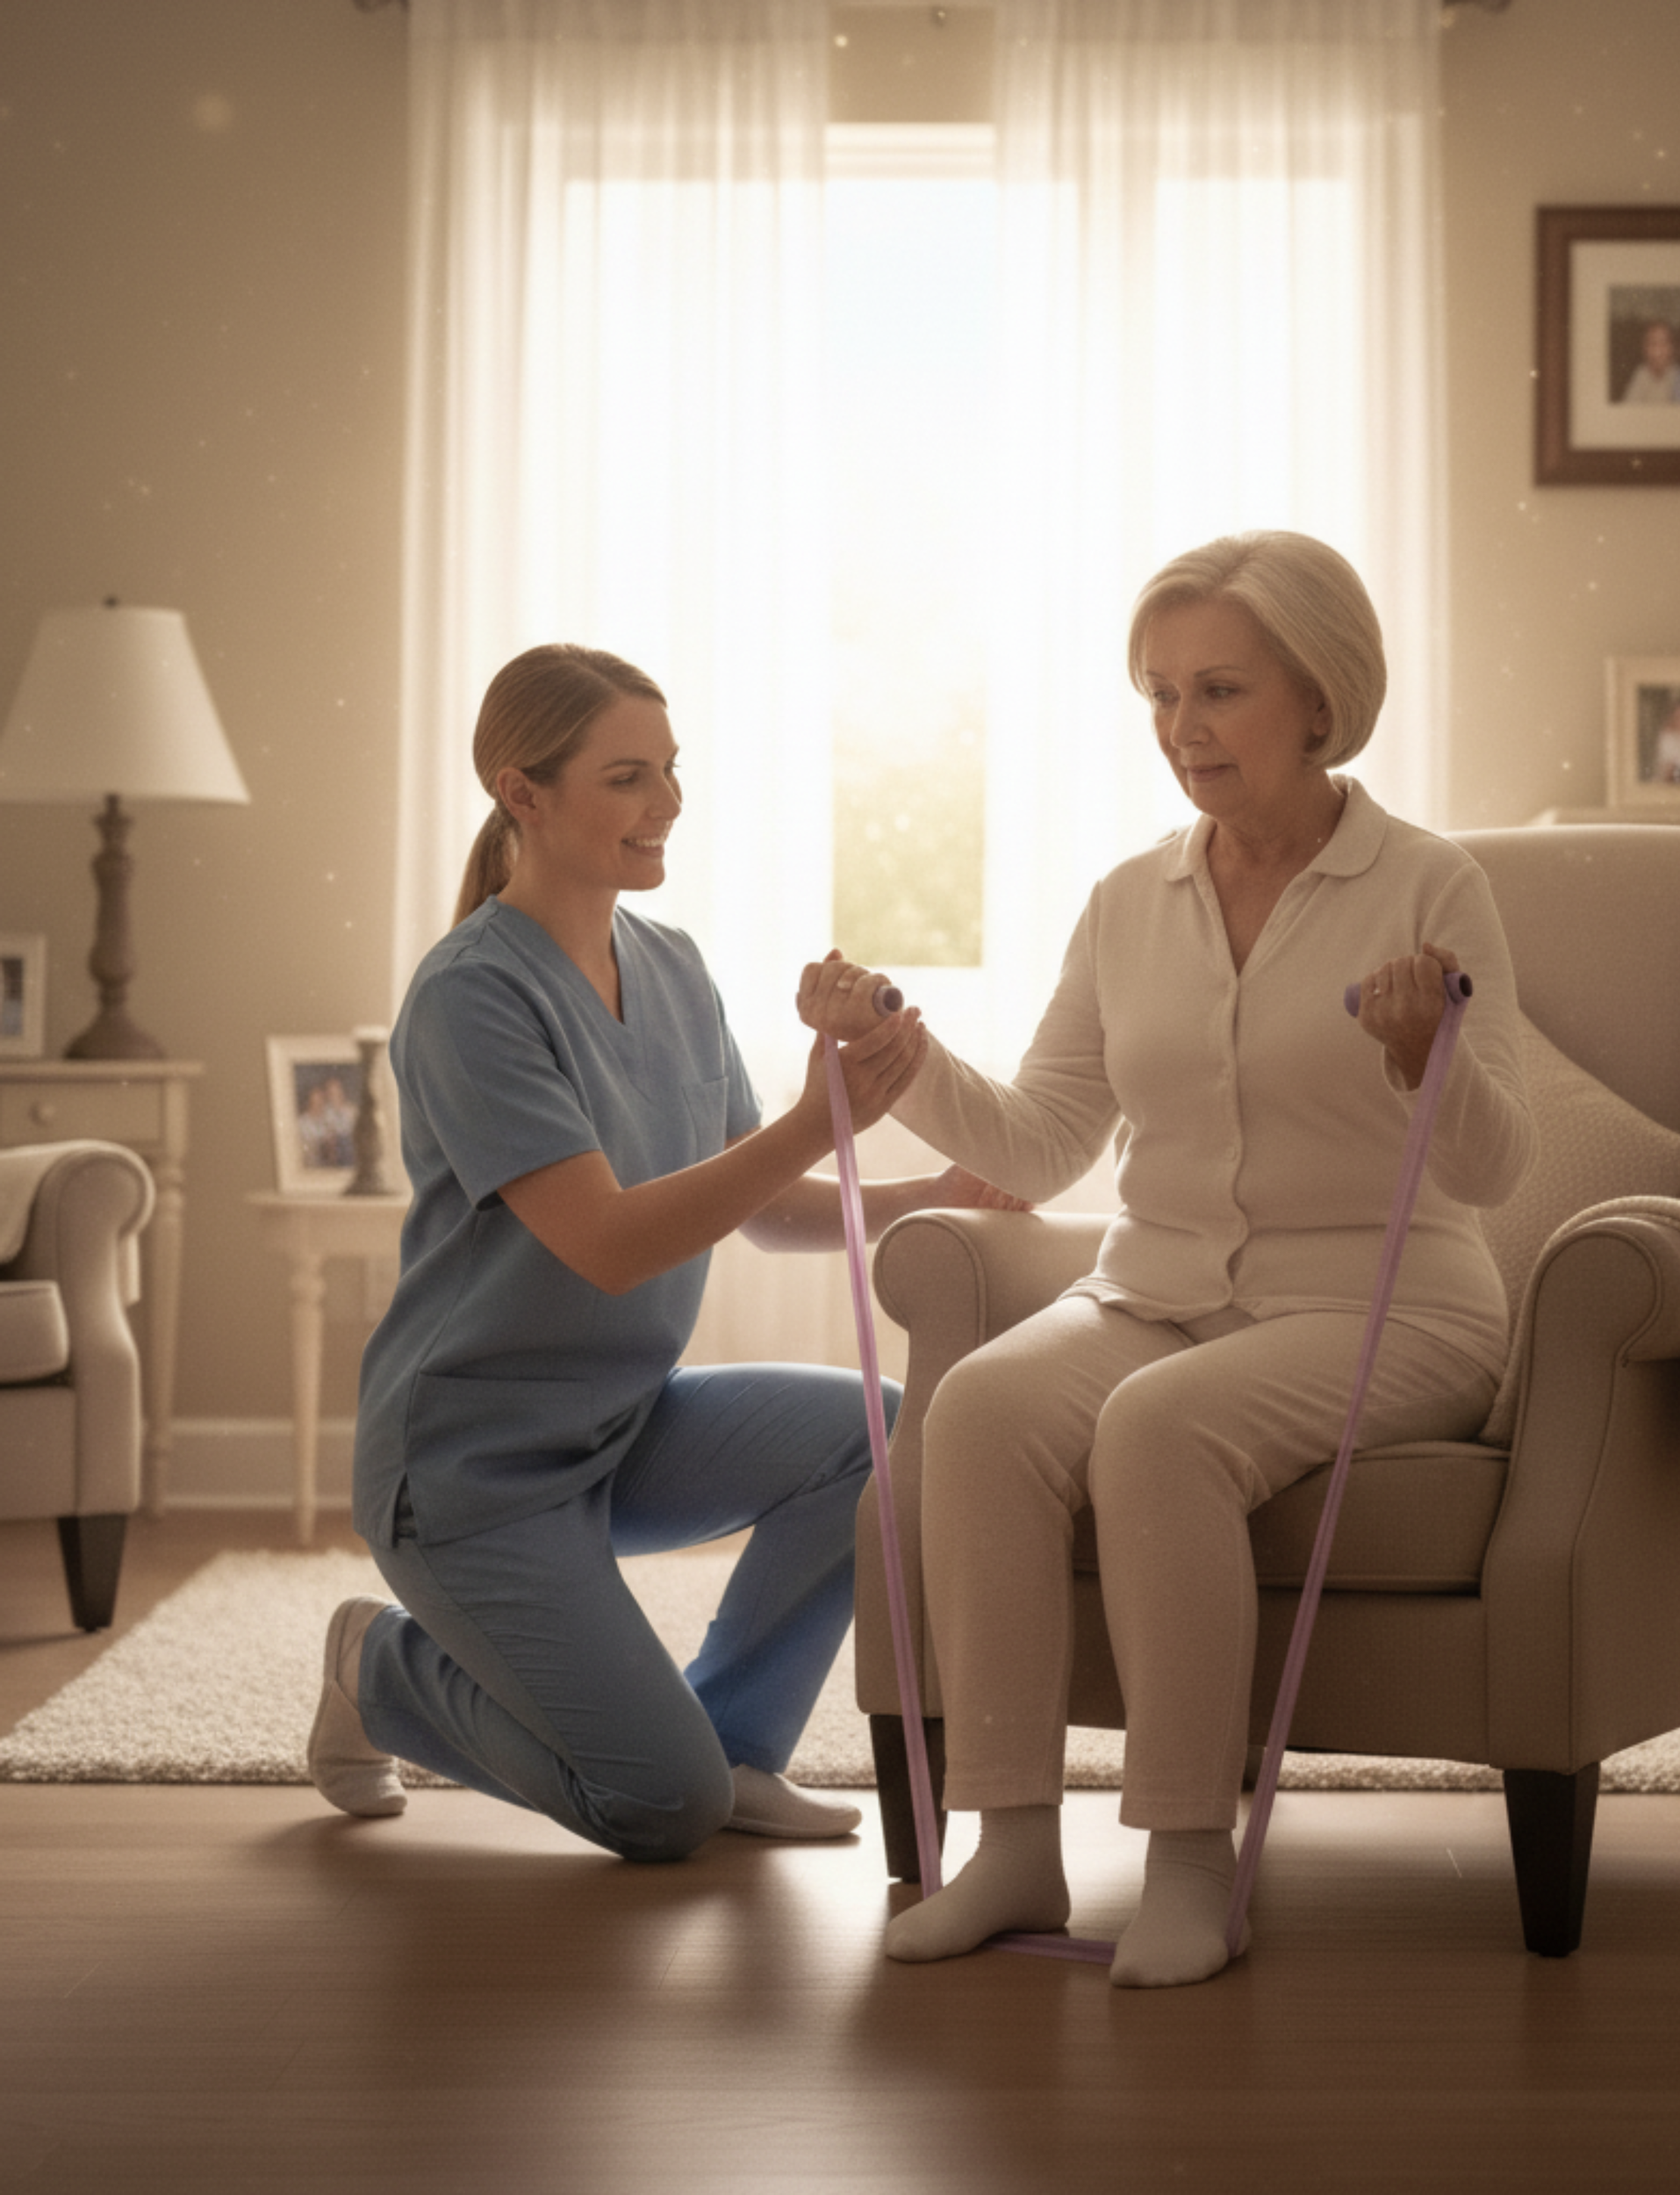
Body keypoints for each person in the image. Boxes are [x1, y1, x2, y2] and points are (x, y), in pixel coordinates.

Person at [805, 533, 1536, 1987]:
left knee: (1157, 1431)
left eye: (1220, 691)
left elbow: (1494, 1170)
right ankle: (1010, 1846)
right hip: (1157, 1291)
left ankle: (1191, 1864)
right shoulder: (1129, 898)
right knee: (987, 1409)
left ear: (1319, 700)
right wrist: (904, 1060)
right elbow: (1040, 1139)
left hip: (1388, 1310)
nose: (1183, 729)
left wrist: (1422, 1057)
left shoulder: (1429, 887)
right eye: (1161, 694)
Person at [308, 643, 1016, 1862]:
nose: (668, 804)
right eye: (629, 777)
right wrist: (815, 1119)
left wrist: (928, 1190)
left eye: (672, 771)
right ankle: (380, 1669)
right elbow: (609, 1245)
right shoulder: (472, 997)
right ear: (521, 794)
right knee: (655, 1805)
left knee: (877, 1426)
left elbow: (753, 1199)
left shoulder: (674, 967)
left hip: (624, 1424)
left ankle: (735, 1743)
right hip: (469, 1469)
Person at [1621, 317, 1676, 403]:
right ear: (1645, 349)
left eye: (1664, 343)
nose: (1658, 350)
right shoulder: (1640, 376)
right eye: (1653, 343)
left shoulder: (1678, 377)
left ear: (1672, 349)